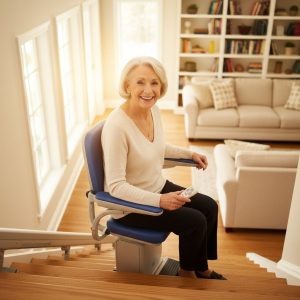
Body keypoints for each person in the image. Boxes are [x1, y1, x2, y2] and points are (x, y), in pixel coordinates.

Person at [101, 56, 226, 280]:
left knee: (208, 206)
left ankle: (200, 267)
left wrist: (190, 154)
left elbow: (156, 146)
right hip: (130, 206)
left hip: (155, 187)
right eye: (140, 82)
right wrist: (161, 201)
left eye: (154, 82)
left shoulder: (152, 110)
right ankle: (187, 273)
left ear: (162, 86)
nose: (148, 90)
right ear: (127, 85)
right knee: (194, 221)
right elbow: (116, 186)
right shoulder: (116, 127)